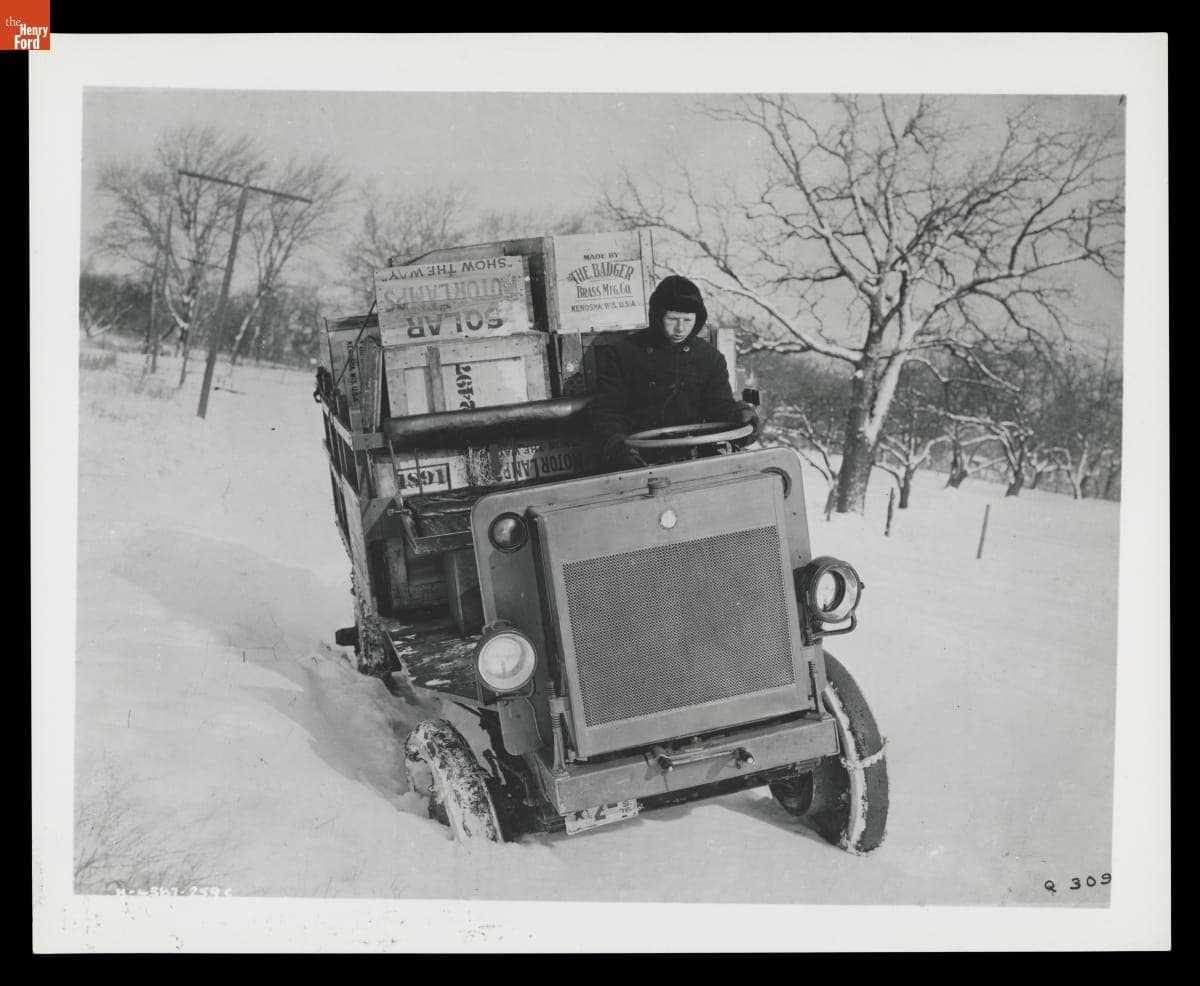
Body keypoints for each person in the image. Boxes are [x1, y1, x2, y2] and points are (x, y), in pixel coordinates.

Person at [589, 274, 759, 469]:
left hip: (694, 459)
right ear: (658, 316)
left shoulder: (709, 359)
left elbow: (719, 406)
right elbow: (608, 411)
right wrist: (619, 448)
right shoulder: (625, 354)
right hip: (638, 460)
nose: (680, 328)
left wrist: (740, 414)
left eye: (688, 320)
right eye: (673, 319)